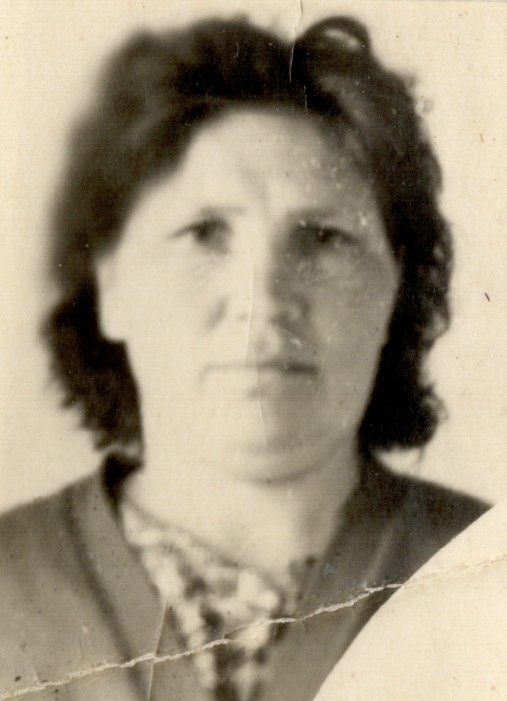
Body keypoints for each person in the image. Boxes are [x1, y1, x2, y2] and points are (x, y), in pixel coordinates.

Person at [0, 15, 489, 701]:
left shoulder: (486, 574)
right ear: (112, 286)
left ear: (395, 286)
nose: (262, 301)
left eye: (322, 237)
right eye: (204, 233)